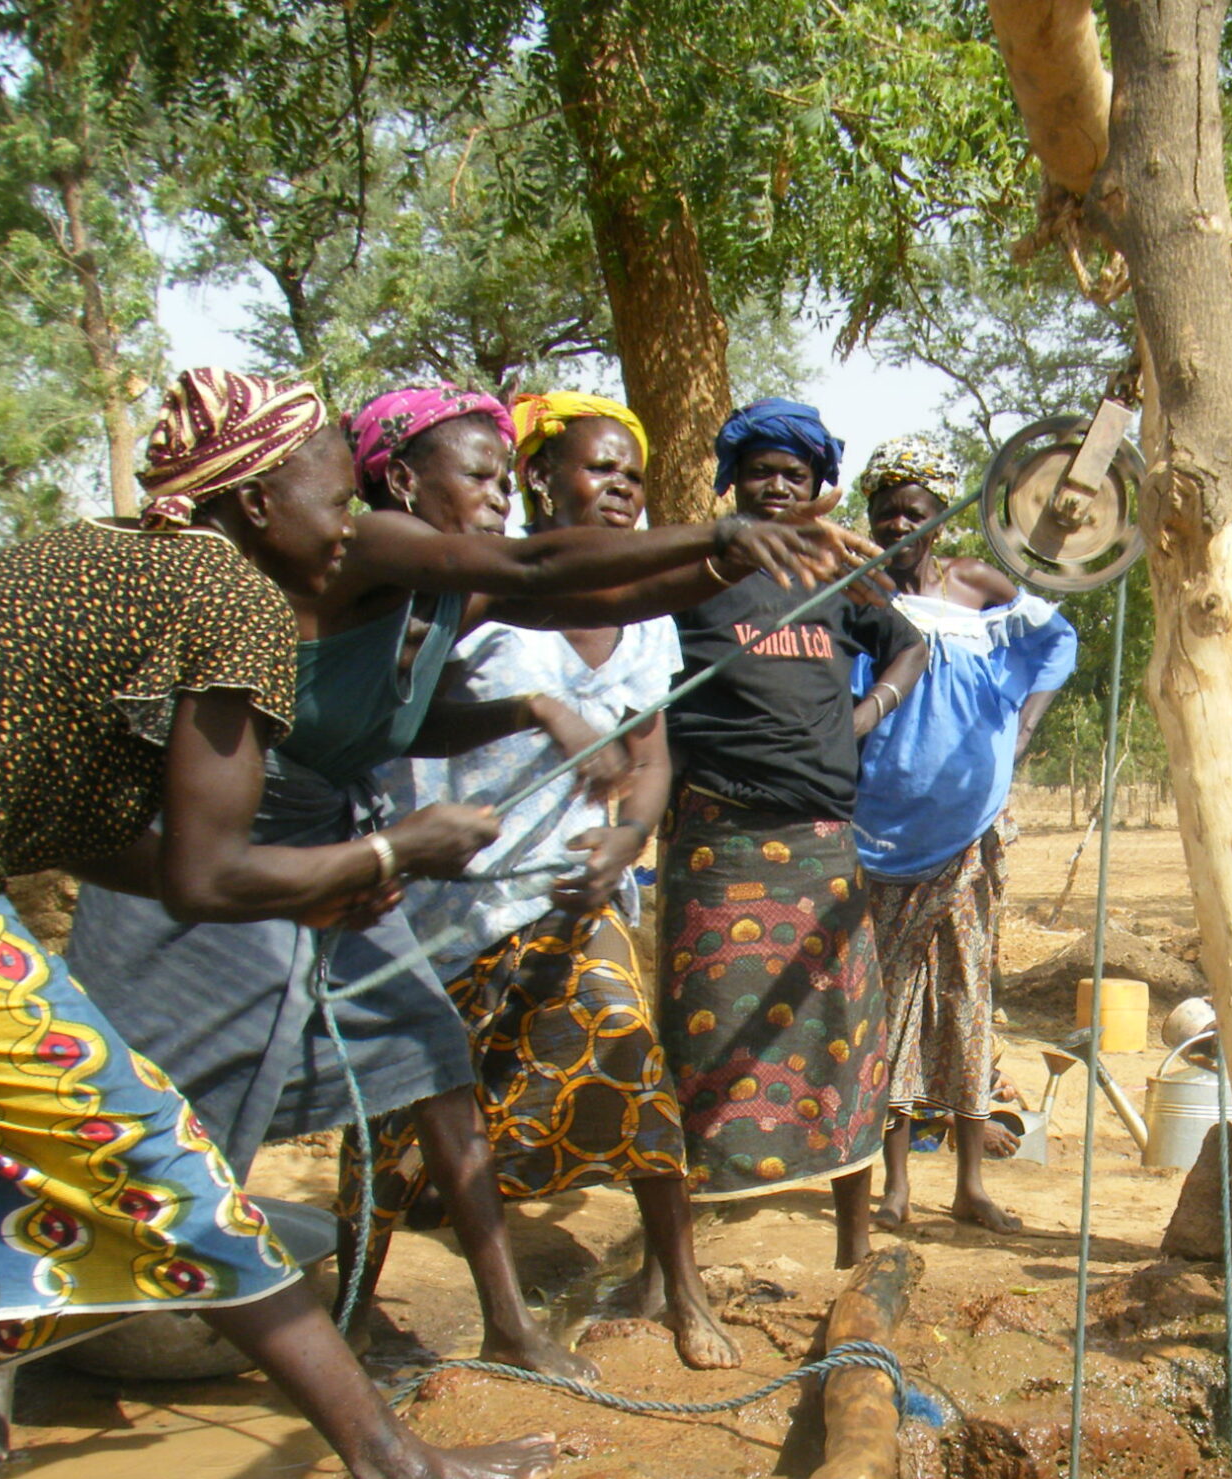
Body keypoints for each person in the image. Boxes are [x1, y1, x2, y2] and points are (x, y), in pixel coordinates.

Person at [0, 369, 554, 1479]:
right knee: (144, 1142)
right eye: (337, 479)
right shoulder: (223, 588)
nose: (360, 505)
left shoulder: (113, 574)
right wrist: (389, 846)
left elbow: (106, 842)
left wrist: (329, 883)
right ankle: (404, 1478)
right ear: (258, 498)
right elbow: (212, 877)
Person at [61, 386, 871, 1416]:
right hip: (231, 865)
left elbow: (568, 600)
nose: (495, 500)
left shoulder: (422, 586)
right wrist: (722, 534)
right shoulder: (349, 559)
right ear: (396, 481)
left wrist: (727, 557)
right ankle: (11, 1360)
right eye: (479, 478)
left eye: (501, 478)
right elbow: (530, 574)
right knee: (135, 1099)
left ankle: (513, 1322)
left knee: (439, 1065)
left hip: (362, 864)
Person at [367, 390, 735, 1370]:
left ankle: (679, 1287)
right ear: (541, 479)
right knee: (409, 1121)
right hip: (443, 898)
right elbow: (411, 700)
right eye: (596, 467)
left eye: (632, 474)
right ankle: (357, 1300)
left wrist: (627, 843)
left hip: (572, 894)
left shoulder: (644, 618)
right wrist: (540, 707)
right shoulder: (473, 578)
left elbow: (649, 757)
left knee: (627, 1050)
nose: (618, 486)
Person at [660, 400, 929, 1268]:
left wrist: (865, 714)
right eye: (761, 471)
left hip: (821, 847)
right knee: (704, 1047)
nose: (777, 486)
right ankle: (679, 1267)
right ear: (731, 481)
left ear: (818, 488)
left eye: (796, 474)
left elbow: (909, 644)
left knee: (841, 1045)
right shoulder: (692, 570)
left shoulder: (831, 572)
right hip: (720, 844)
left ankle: (854, 1255)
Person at [850, 434, 1076, 1233]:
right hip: (881, 834)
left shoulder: (978, 586)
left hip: (971, 834)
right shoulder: (860, 596)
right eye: (886, 515)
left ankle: (972, 1183)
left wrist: (1020, 731)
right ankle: (897, 1185)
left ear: (940, 519)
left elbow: (1057, 642)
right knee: (888, 1007)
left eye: (915, 513)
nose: (899, 528)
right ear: (870, 518)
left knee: (968, 997)